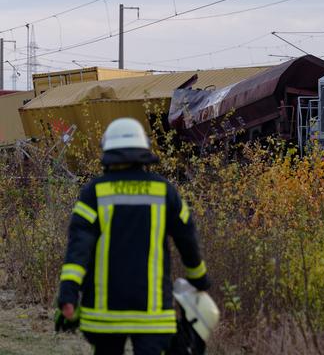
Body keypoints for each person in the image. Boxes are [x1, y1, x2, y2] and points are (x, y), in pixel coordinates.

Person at [57, 117, 211, 355]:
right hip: (152, 313)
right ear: (144, 152)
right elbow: (187, 240)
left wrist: (68, 292)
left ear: (108, 152)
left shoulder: (94, 193)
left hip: (105, 314)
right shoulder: (164, 192)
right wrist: (199, 280)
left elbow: (79, 247)